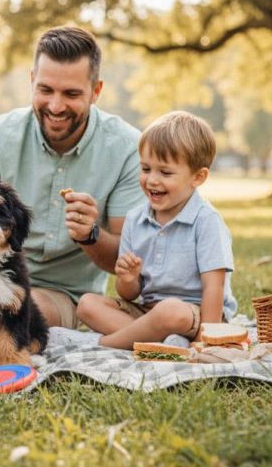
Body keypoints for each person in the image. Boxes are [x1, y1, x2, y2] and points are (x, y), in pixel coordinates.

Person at [0, 26, 144, 328]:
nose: (56, 106)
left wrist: (90, 236)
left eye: (71, 94)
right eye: (45, 90)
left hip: (59, 294)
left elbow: (126, 264)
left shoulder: (127, 149)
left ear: (96, 91)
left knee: (17, 315)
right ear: (32, 81)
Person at [76, 111, 237, 349]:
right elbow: (129, 293)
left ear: (198, 177)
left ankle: (107, 343)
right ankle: (164, 341)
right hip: (148, 311)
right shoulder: (135, 219)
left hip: (194, 314)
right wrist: (127, 278)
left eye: (165, 172)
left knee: (171, 311)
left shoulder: (206, 220)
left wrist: (207, 338)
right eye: (146, 168)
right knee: (87, 304)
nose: (151, 180)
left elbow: (214, 287)